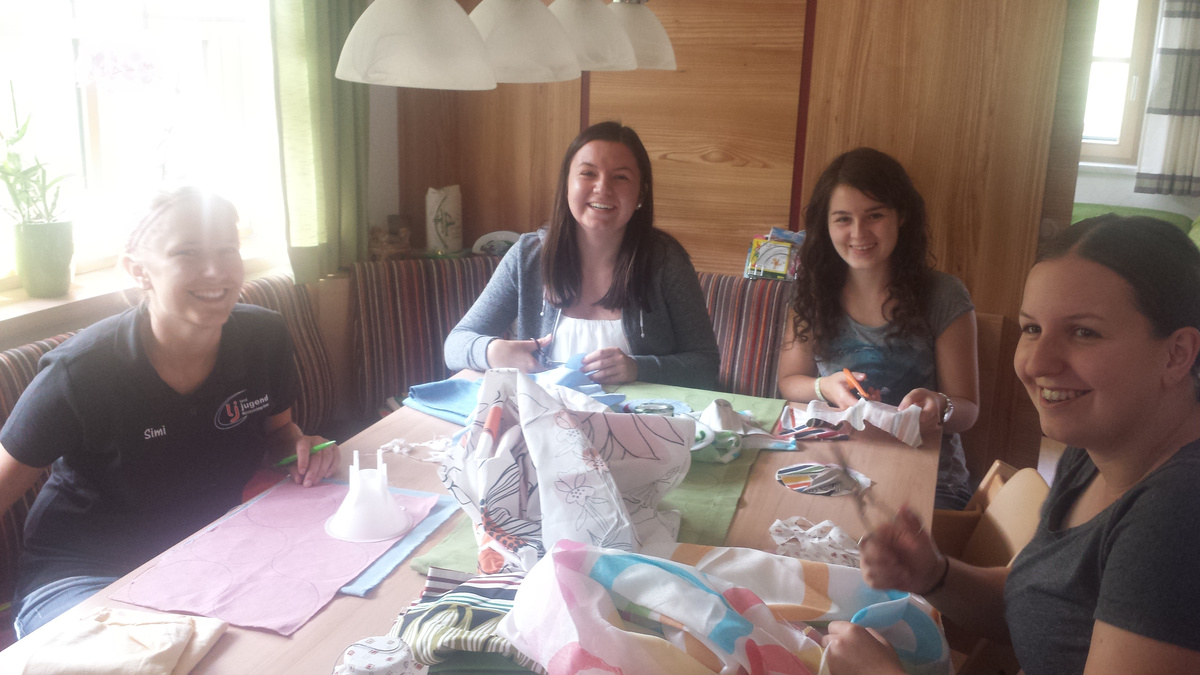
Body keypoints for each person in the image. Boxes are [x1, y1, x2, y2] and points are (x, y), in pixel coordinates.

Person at [823, 215, 1200, 674]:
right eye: (1032, 328)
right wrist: (934, 574)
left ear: (1177, 354)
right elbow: (1038, 601)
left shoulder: (1177, 518)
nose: (1037, 363)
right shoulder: (1096, 450)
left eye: (1084, 332)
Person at [0, 187, 340, 638]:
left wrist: (301, 447)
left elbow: (280, 433)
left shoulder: (264, 336)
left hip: (210, 555)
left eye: (227, 250)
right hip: (84, 574)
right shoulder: (82, 371)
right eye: (186, 252)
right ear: (139, 270)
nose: (215, 270)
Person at [444, 121, 719, 389]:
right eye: (588, 173)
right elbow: (455, 344)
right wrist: (492, 351)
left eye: (620, 177)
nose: (602, 187)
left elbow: (706, 365)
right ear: (567, 184)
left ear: (640, 194)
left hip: (638, 417)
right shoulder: (527, 256)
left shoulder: (665, 261)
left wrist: (638, 368)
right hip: (545, 416)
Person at [776, 147, 979, 509]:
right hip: (837, 468)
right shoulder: (812, 291)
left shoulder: (944, 294)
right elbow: (790, 380)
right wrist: (824, 387)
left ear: (901, 216)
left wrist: (940, 406)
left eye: (874, 215)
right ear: (825, 225)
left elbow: (968, 409)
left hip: (932, 482)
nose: (858, 233)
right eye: (843, 219)